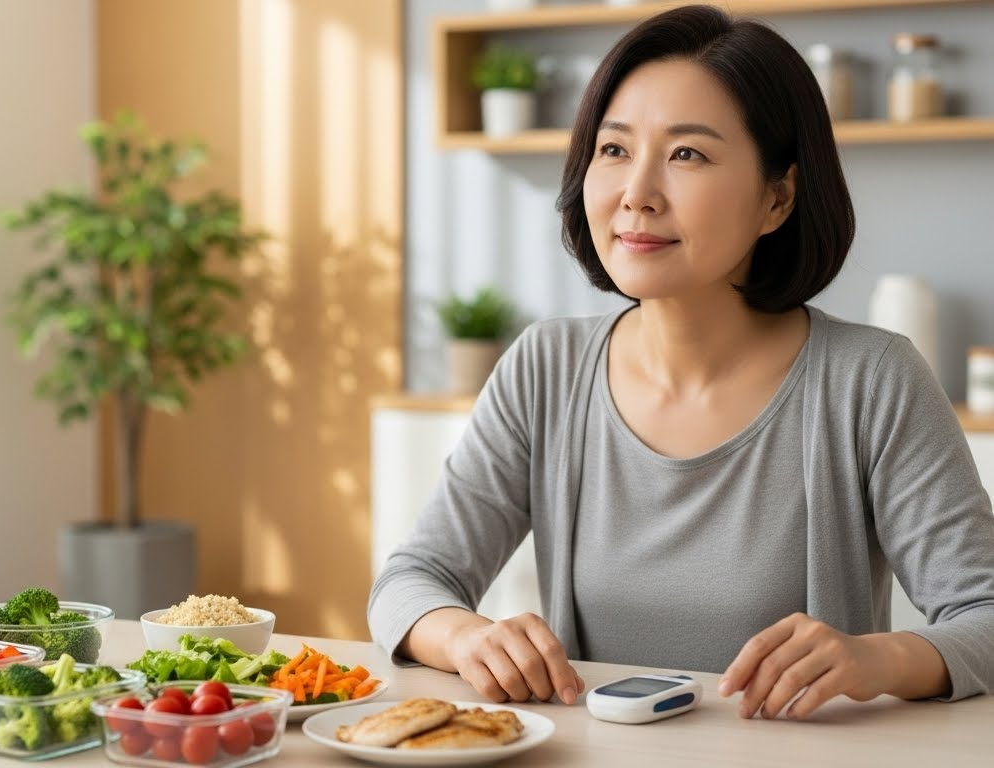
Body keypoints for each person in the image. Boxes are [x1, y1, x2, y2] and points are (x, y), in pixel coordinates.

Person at [369, 4, 994, 721]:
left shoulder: (872, 380)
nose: (636, 194)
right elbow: (410, 581)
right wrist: (466, 636)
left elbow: (983, 613)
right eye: (613, 149)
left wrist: (873, 658)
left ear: (777, 198)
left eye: (686, 154)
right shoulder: (545, 368)